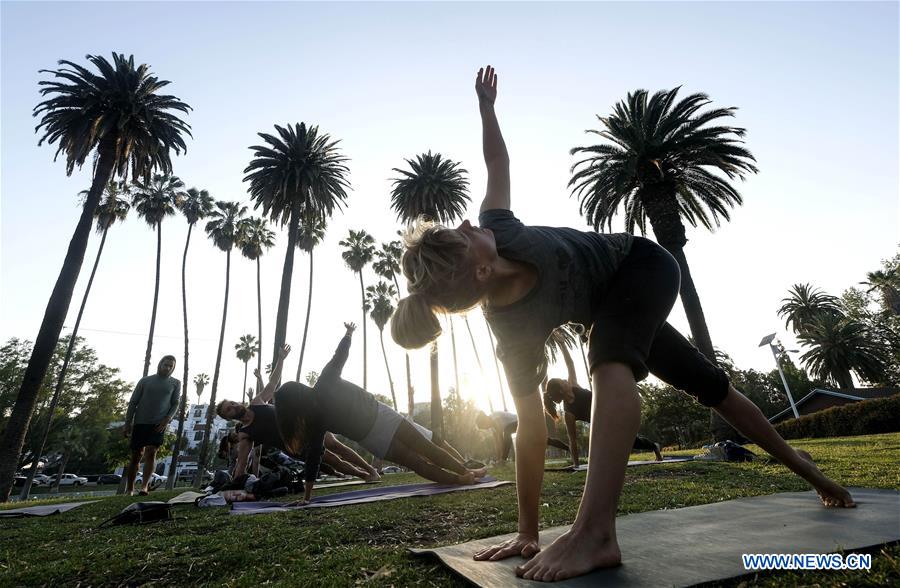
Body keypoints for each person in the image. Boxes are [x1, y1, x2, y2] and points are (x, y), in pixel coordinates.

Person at [390, 65, 854, 582]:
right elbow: (531, 432)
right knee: (711, 386)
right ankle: (812, 472)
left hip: (644, 266)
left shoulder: (498, 224)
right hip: (616, 313)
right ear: (479, 268)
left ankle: (595, 533)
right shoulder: (511, 331)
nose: (468, 222)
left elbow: (496, 159)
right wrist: (527, 530)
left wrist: (486, 108)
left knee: (608, 363)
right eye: (463, 234)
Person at [275, 322, 487, 504]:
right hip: (381, 417)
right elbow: (339, 356)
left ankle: (462, 476)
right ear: (300, 390)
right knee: (425, 449)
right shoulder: (325, 382)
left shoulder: (314, 421)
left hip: (372, 437)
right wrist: (348, 334)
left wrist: (308, 496)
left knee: (417, 462)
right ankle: (464, 472)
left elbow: (314, 457)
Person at [216, 344, 381, 482]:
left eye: (232, 403)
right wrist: (235, 484)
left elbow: (272, 384)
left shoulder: (256, 403)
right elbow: (242, 463)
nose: (233, 406)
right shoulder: (245, 434)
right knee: (333, 460)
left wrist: (281, 358)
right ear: (228, 418)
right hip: (296, 447)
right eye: (229, 409)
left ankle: (371, 469)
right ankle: (363, 475)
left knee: (336, 446)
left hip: (305, 424)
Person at [543, 344, 662, 465]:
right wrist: (576, 464)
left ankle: (653, 446)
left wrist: (563, 346)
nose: (564, 379)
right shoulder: (569, 413)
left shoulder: (574, 384)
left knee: (629, 440)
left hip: (612, 408)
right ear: (560, 390)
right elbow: (572, 440)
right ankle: (653, 447)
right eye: (561, 381)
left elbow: (570, 364)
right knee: (626, 442)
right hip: (602, 427)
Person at [123, 355, 181, 495]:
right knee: (136, 455)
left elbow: (175, 403)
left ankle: (144, 486)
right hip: (140, 422)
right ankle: (130, 488)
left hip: (159, 423)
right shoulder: (145, 381)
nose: (167, 368)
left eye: (170, 366)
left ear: (173, 368)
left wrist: (167, 419)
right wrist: (127, 423)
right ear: (160, 364)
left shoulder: (175, 383)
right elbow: (133, 402)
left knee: (151, 452)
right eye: (165, 364)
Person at [475, 411, 570, 464]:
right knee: (545, 440)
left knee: (507, 431)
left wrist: (501, 460)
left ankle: (504, 459)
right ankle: (569, 448)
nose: (486, 428)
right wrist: (497, 459)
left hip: (524, 422)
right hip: (521, 428)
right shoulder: (492, 428)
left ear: (485, 420)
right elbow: (497, 444)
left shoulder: (495, 417)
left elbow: (501, 440)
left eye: (484, 426)